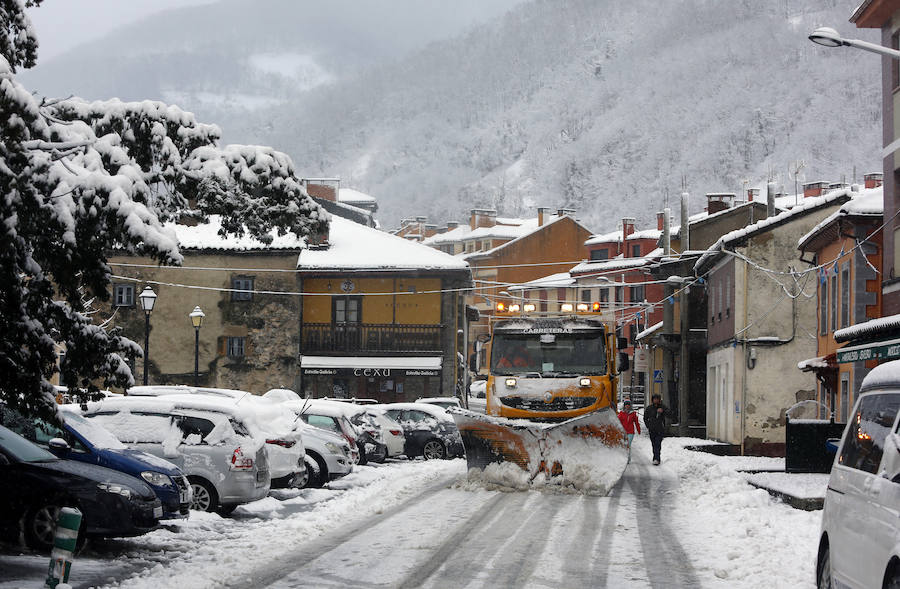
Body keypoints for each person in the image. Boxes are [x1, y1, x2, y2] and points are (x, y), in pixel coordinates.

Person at [643, 393, 669, 465]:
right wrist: (648, 425)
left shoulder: (662, 407)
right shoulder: (649, 408)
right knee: (654, 444)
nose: (656, 400)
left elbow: (669, 414)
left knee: (658, 443)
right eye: (655, 399)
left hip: (660, 429)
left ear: (659, 400)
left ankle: (657, 459)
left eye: (657, 399)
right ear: (652, 400)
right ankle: (655, 457)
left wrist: (663, 411)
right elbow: (645, 418)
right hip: (652, 430)